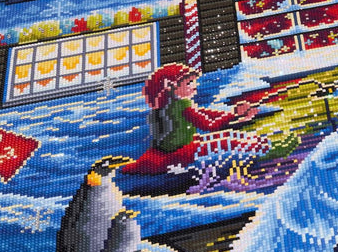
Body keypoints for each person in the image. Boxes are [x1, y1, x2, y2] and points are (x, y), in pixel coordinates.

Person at [121, 64, 297, 175]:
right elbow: (209, 125)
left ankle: (263, 146)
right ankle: (267, 150)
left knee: (224, 138)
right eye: (189, 83)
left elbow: (206, 114)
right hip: (182, 152)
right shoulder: (181, 106)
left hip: (177, 147)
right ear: (171, 87)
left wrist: (234, 115)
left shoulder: (168, 106)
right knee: (228, 141)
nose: (194, 86)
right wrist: (236, 117)